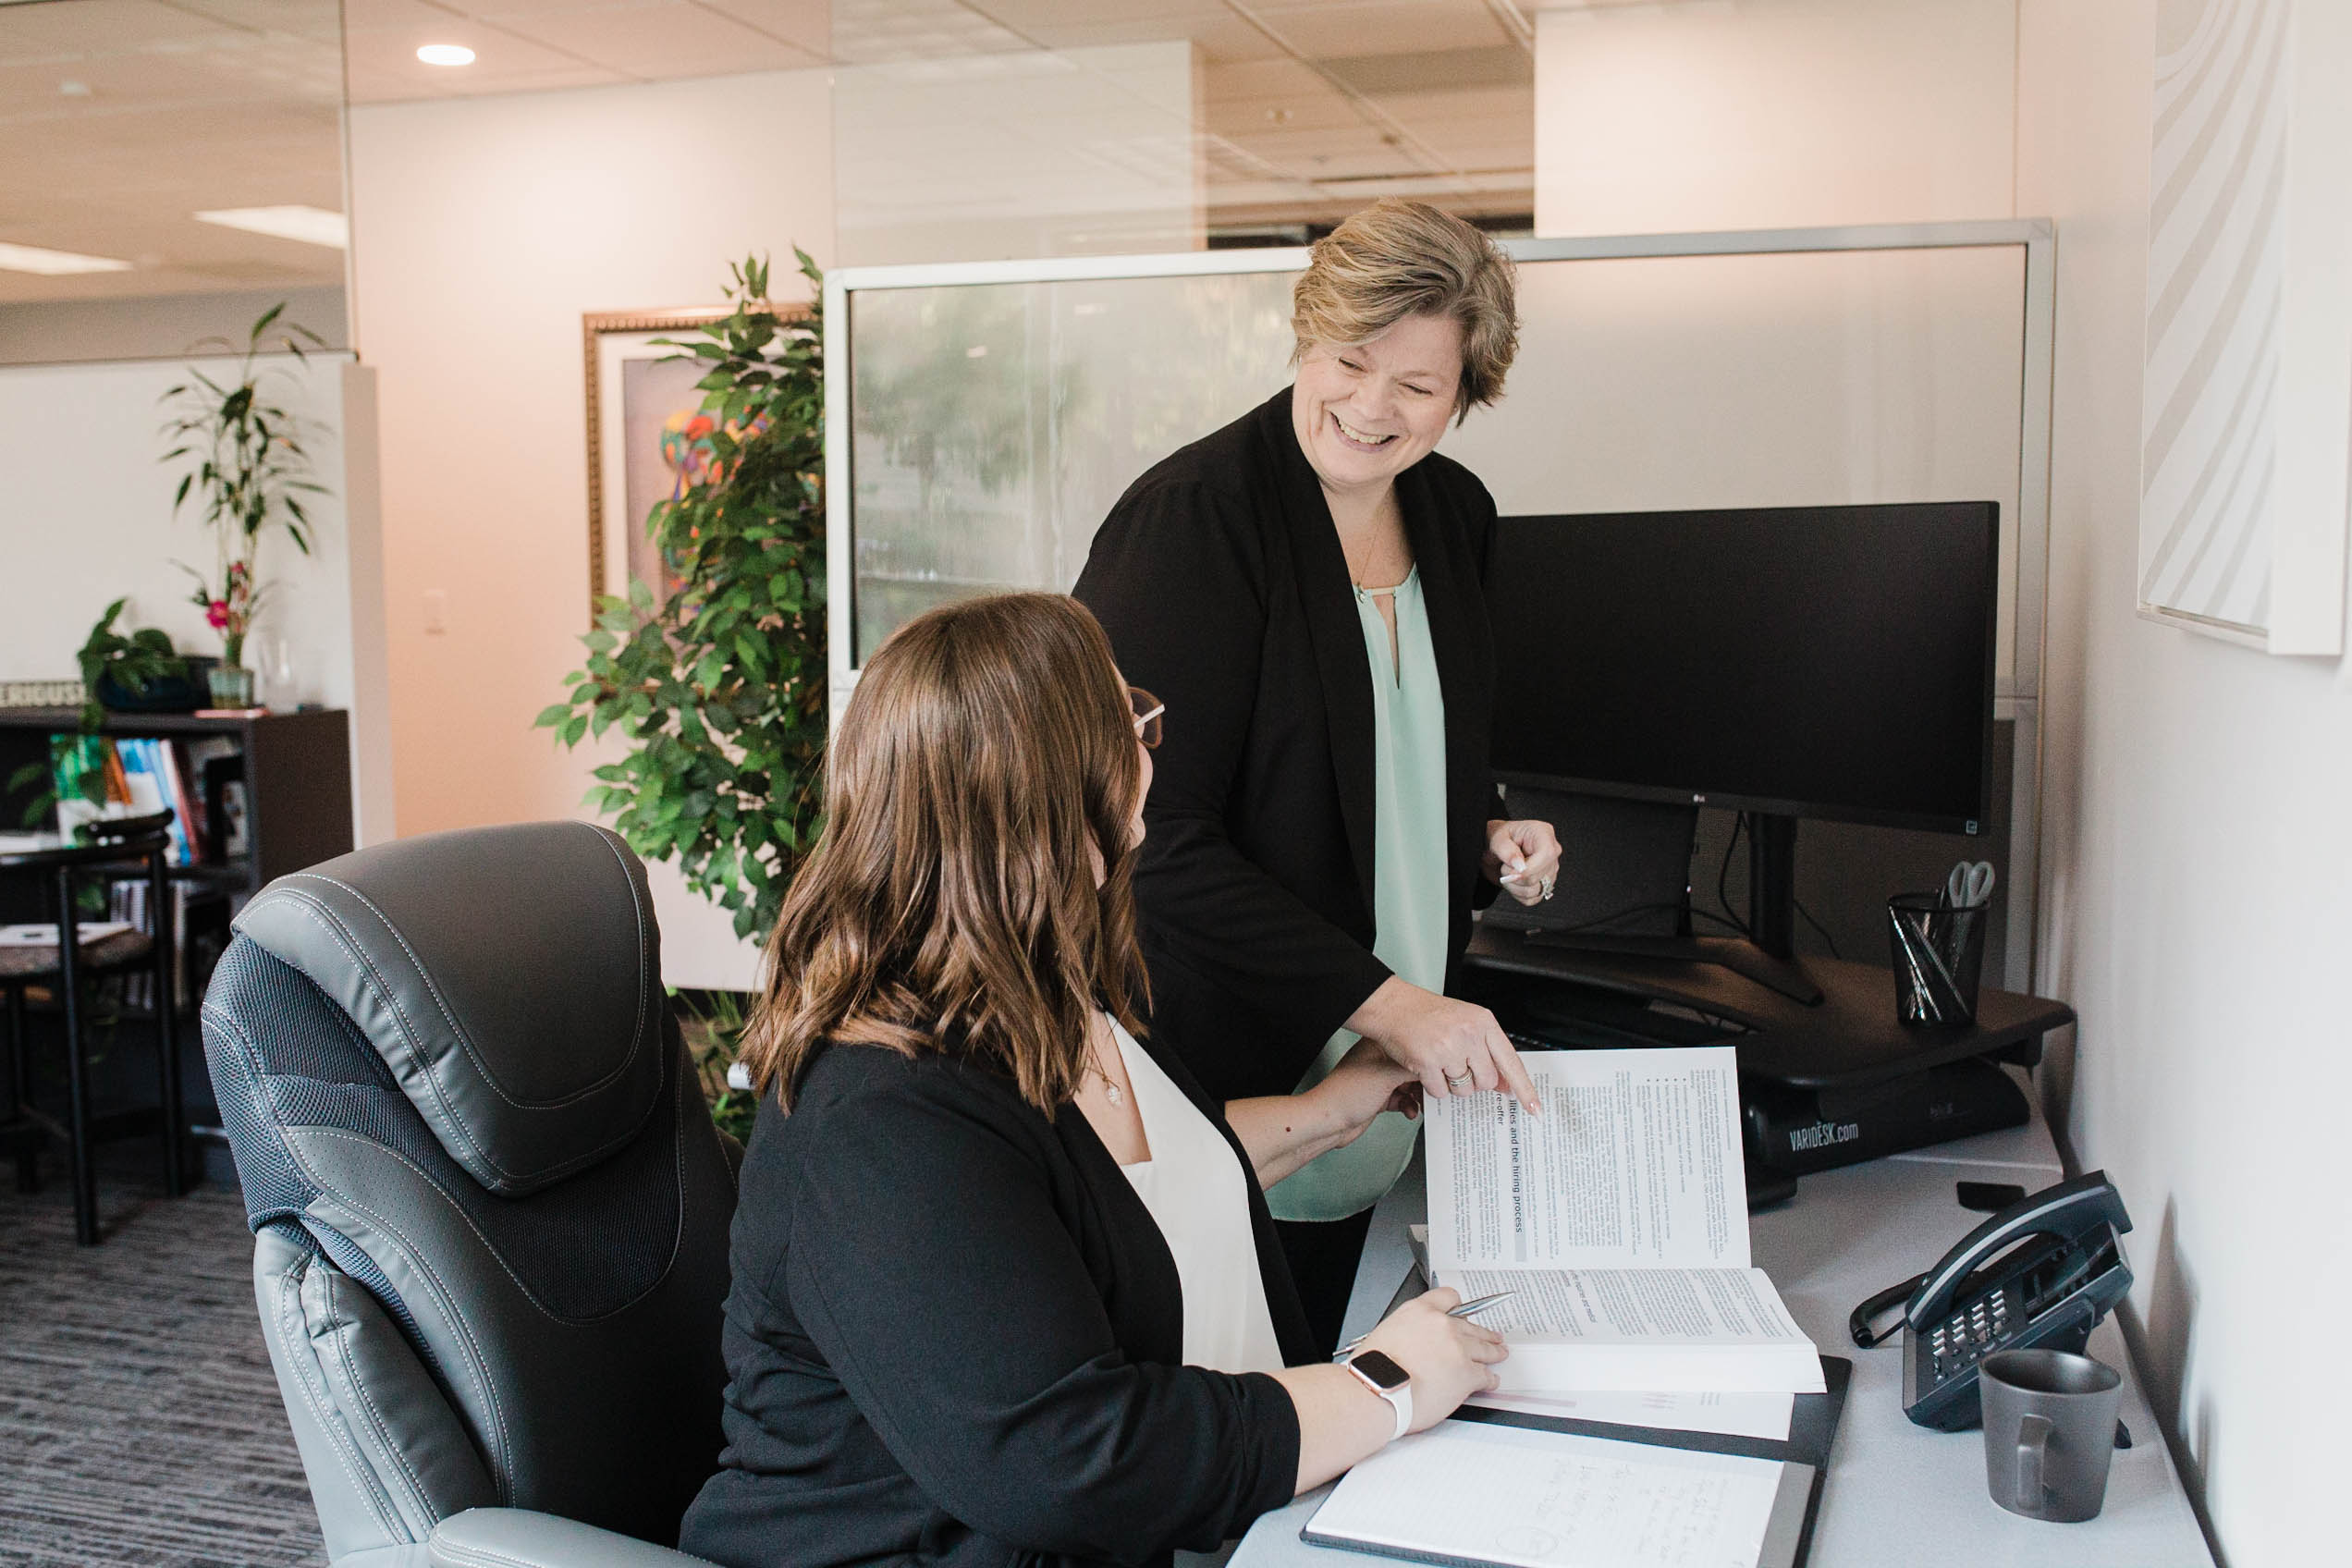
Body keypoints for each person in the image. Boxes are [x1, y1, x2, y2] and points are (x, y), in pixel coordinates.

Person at [678, 593, 1508, 1568]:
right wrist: (1383, 1384)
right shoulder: (880, 1107)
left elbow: (1105, 1198)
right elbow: (1068, 1459)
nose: (1155, 745)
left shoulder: (1048, 975)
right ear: (1056, 790)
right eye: (1132, 724)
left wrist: (1334, 1112)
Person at [1072, 199, 1564, 1350]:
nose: (1372, 406)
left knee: (1365, 1353)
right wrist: (1396, 1006)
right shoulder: (1193, 522)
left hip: (1395, 1063)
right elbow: (1152, 839)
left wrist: (1486, 830)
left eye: (1419, 384)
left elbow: (1396, 744)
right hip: (1235, 1067)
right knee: (1263, 1409)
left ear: (1466, 392)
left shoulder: (1456, 514)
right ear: (1307, 339)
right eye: (1351, 360)